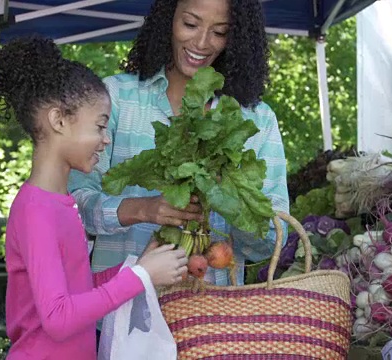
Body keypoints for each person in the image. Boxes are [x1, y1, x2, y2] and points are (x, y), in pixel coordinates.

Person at [0, 35, 188, 359]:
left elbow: (78, 292)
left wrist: (136, 267)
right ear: (58, 120)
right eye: (99, 126)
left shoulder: (60, 203)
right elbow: (58, 318)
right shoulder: (35, 210)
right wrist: (141, 277)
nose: (105, 140)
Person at [68, 0, 289, 287]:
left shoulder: (257, 119)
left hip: (210, 320)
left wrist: (230, 199)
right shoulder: (115, 97)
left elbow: (275, 240)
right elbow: (72, 203)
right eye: (190, 24)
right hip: (117, 317)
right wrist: (140, 209)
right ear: (167, 19)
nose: (201, 42)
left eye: (219, 32)